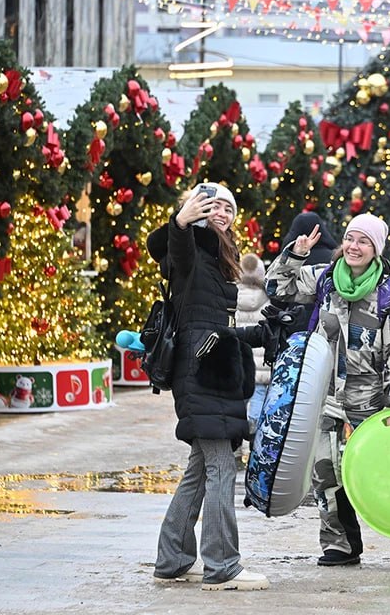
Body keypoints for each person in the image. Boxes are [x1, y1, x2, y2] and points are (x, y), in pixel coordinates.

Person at [265, 213, 390, 574]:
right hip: (327, 397)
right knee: (326, 473)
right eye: (349, 238)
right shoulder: (325, 279)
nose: (353, 246)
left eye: (362, 241)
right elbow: (277, 288)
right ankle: (341, 545)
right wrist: (295, 255)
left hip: (373, 400)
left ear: (376, 248)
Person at [148, 183, 269, 591]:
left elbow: (219, 330)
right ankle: (222, 567)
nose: (222, 213)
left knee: (200, 470)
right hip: (199, 373)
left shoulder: (219, 260)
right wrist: (182, 220)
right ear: (198, 211)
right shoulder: (192, 250)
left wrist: (263, 333)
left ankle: (173, 558)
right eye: (213, 206)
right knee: (222, 468)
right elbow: (177, 249)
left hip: (210, 369)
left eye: (229, 208)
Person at [236, 252, 271, 438]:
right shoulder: (266, 298)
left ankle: (236, 432)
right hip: (261, 361)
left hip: (239, 359)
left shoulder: (233, 295)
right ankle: (254, 426)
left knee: (238, 398)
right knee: (259, 392)